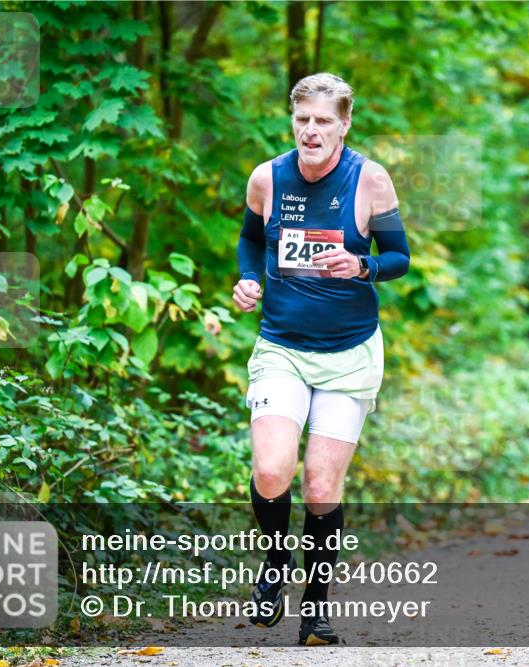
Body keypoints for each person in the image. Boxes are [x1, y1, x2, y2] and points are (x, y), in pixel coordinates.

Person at [233, 73, 410, 646]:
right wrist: (245, 279)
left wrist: (363, 267)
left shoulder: (369, 179)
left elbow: (401, 257)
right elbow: (251, 240)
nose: (312, 131)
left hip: (350, 352)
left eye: (323, 121)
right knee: (270, 469)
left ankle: (314, 609)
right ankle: (276, 563)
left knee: (320, 486)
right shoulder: (268, 177)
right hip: (282, 345)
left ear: (344, 124)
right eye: (303, 120)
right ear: (293, 121)